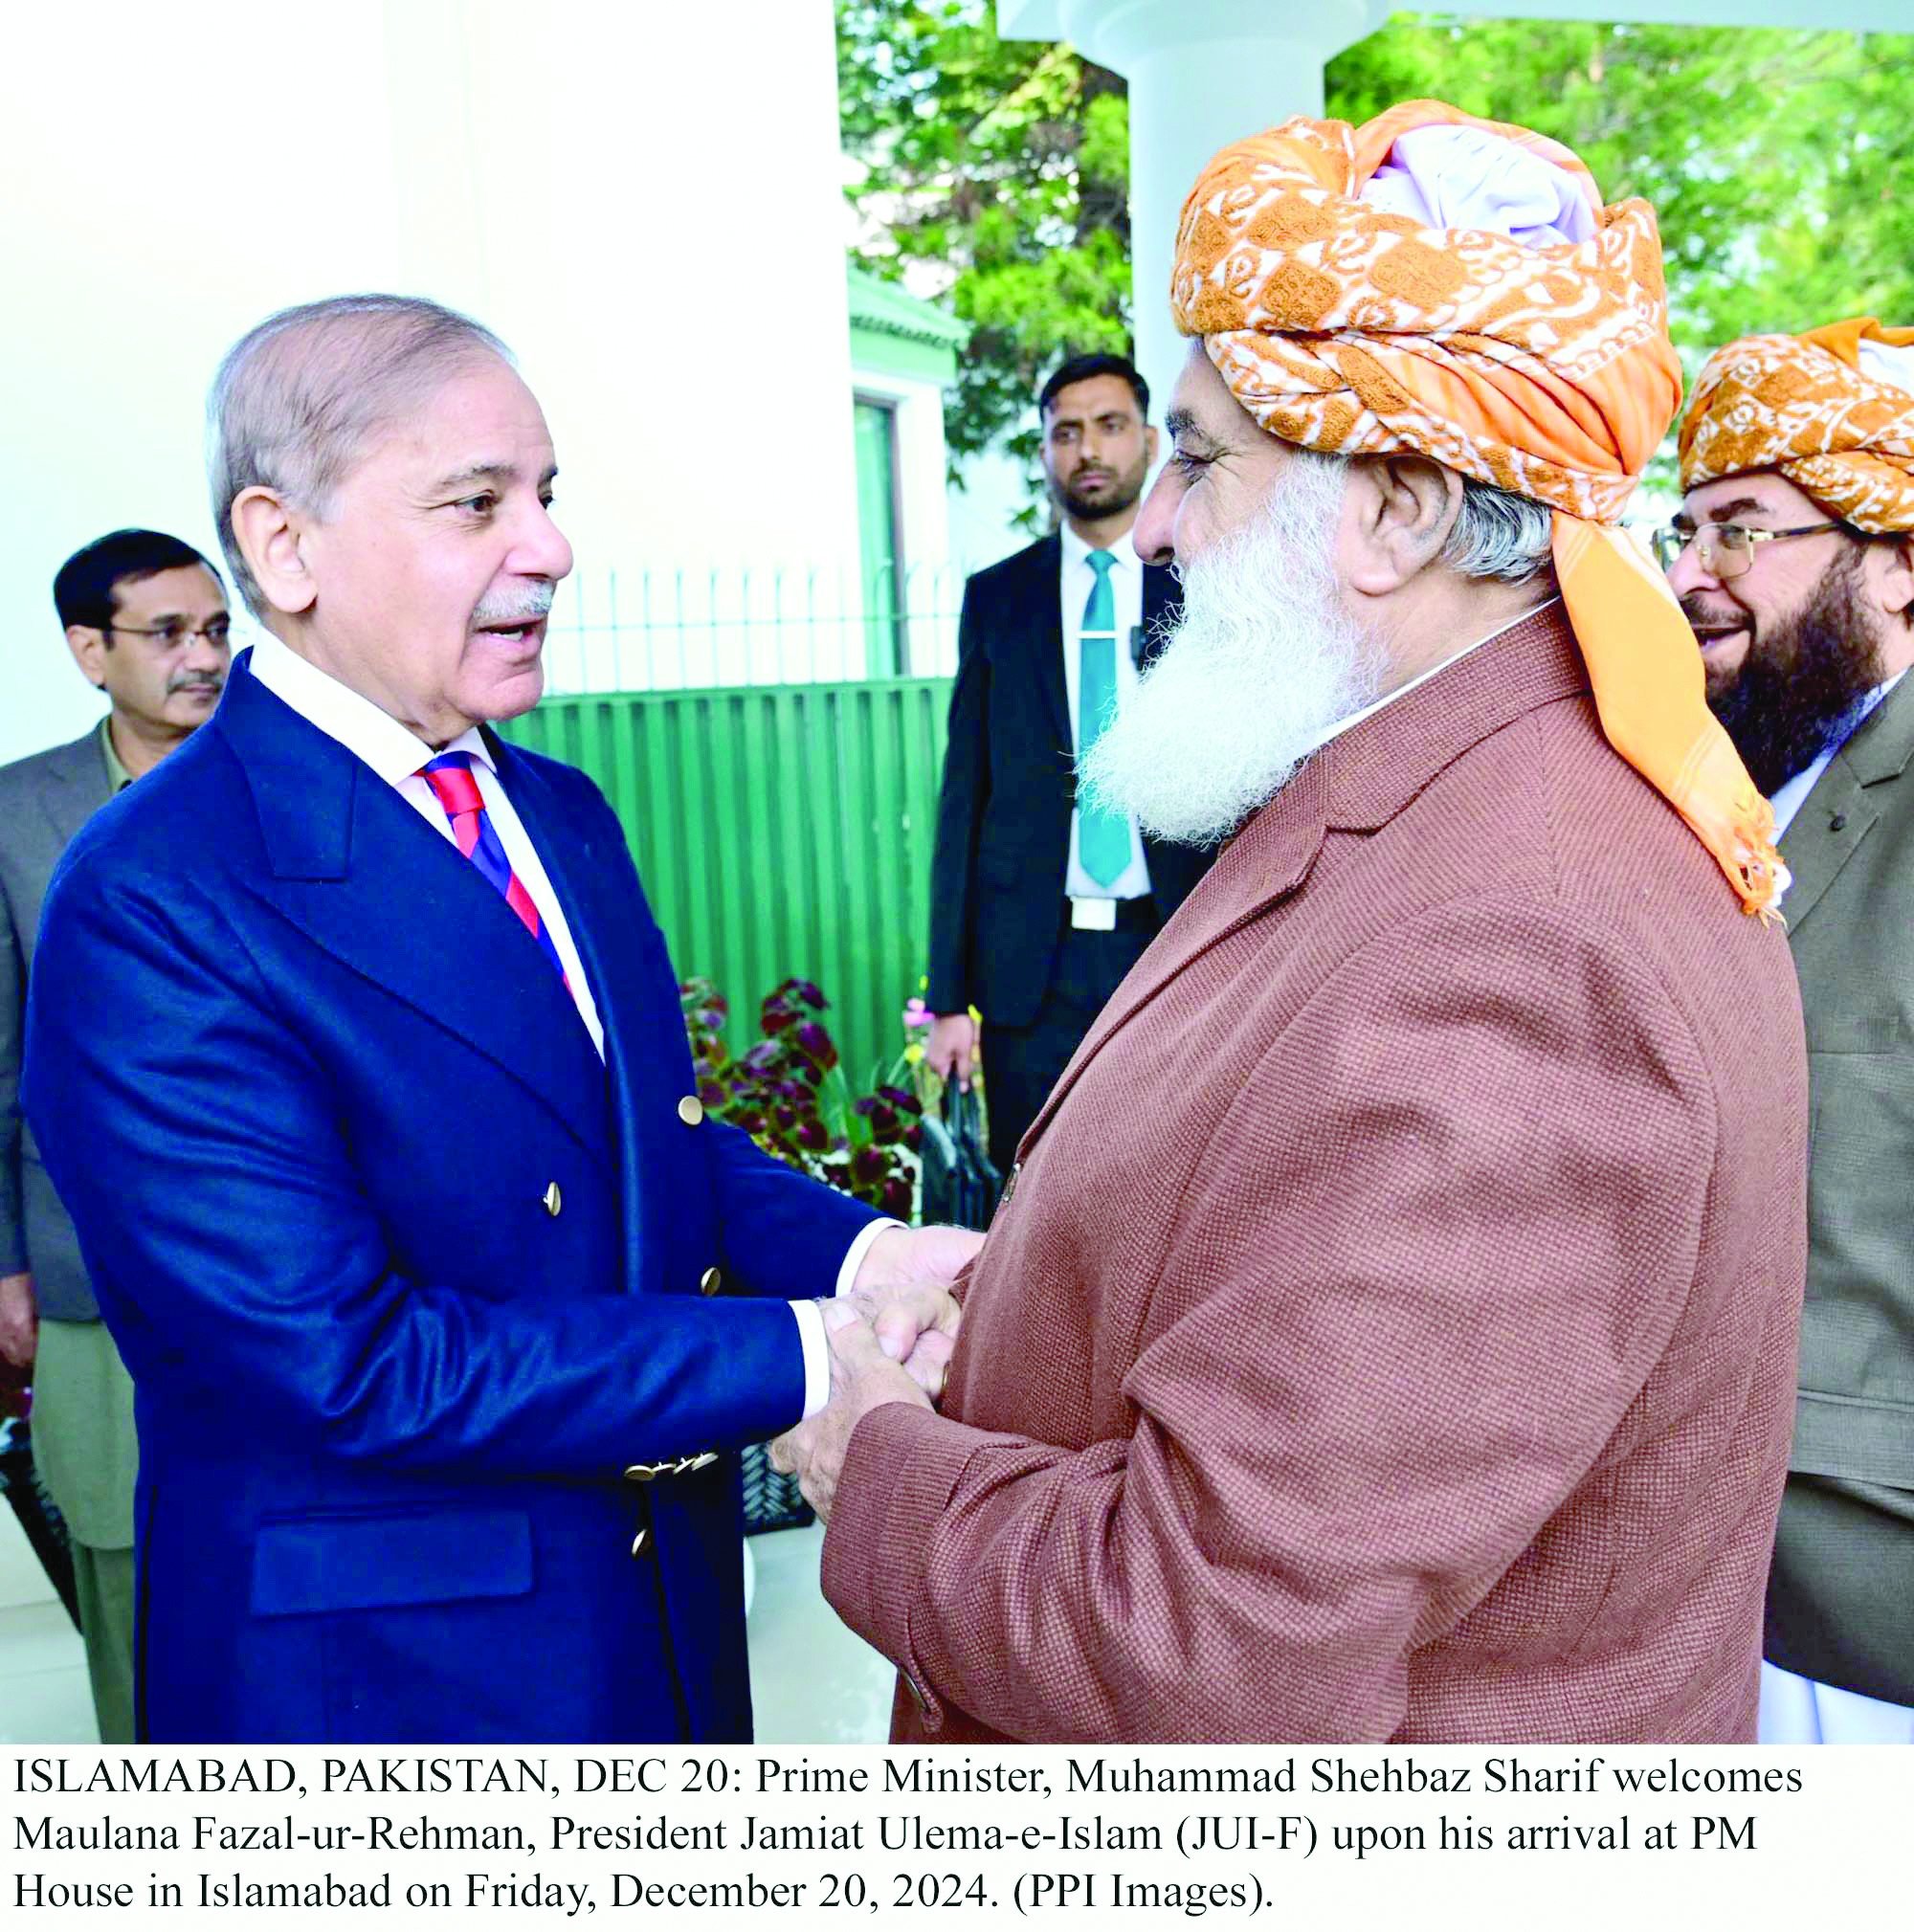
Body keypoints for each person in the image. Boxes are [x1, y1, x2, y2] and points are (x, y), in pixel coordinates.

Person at [775, 101, 1809, 1744]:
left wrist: (869, 1443)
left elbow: (1208, 1642)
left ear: (1397, 506)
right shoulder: (1445, 792)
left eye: (1202, 454)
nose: (1161, 520)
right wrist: (1028, 1304)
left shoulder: (1526, 945)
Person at [23, 295, 974, 1743]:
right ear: (283, 547)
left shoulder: (557, 809)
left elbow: (645, 1144)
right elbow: (342, 1360)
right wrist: (800, 1356)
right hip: (393, 1686)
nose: (550, 546)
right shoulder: (156, 892)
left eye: (546, 494)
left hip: (651, 1628)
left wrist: (870, 1246)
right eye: (477, 503)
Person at [1668, 317, 1914, 1744]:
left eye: (1744, 527)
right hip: (1732, 1563)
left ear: (1895, 556)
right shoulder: (1738, 778)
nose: (1691, 571)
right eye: (1685, 525)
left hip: (1868, 1576)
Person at [0, 527, 231, 1741]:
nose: (202, 659)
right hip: (88, 1263)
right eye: (167, 634)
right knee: (120, 1548)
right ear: (90, 650)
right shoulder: (18, 813)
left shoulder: (276, 785)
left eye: (215, 630)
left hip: (285, 1260)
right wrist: (4, 1263)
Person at [924, 354, 1209, 1174]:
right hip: (1028, 979)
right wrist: (949, 1000)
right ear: (1045, 450)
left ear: (1151, 441)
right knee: (1035, 1194)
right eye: (1067, 432)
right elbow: (962, 803)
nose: (1089, 449)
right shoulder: (997, 600)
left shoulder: (1202, 586)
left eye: (1110, 426)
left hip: (1167, 944)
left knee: (1166, 1180)